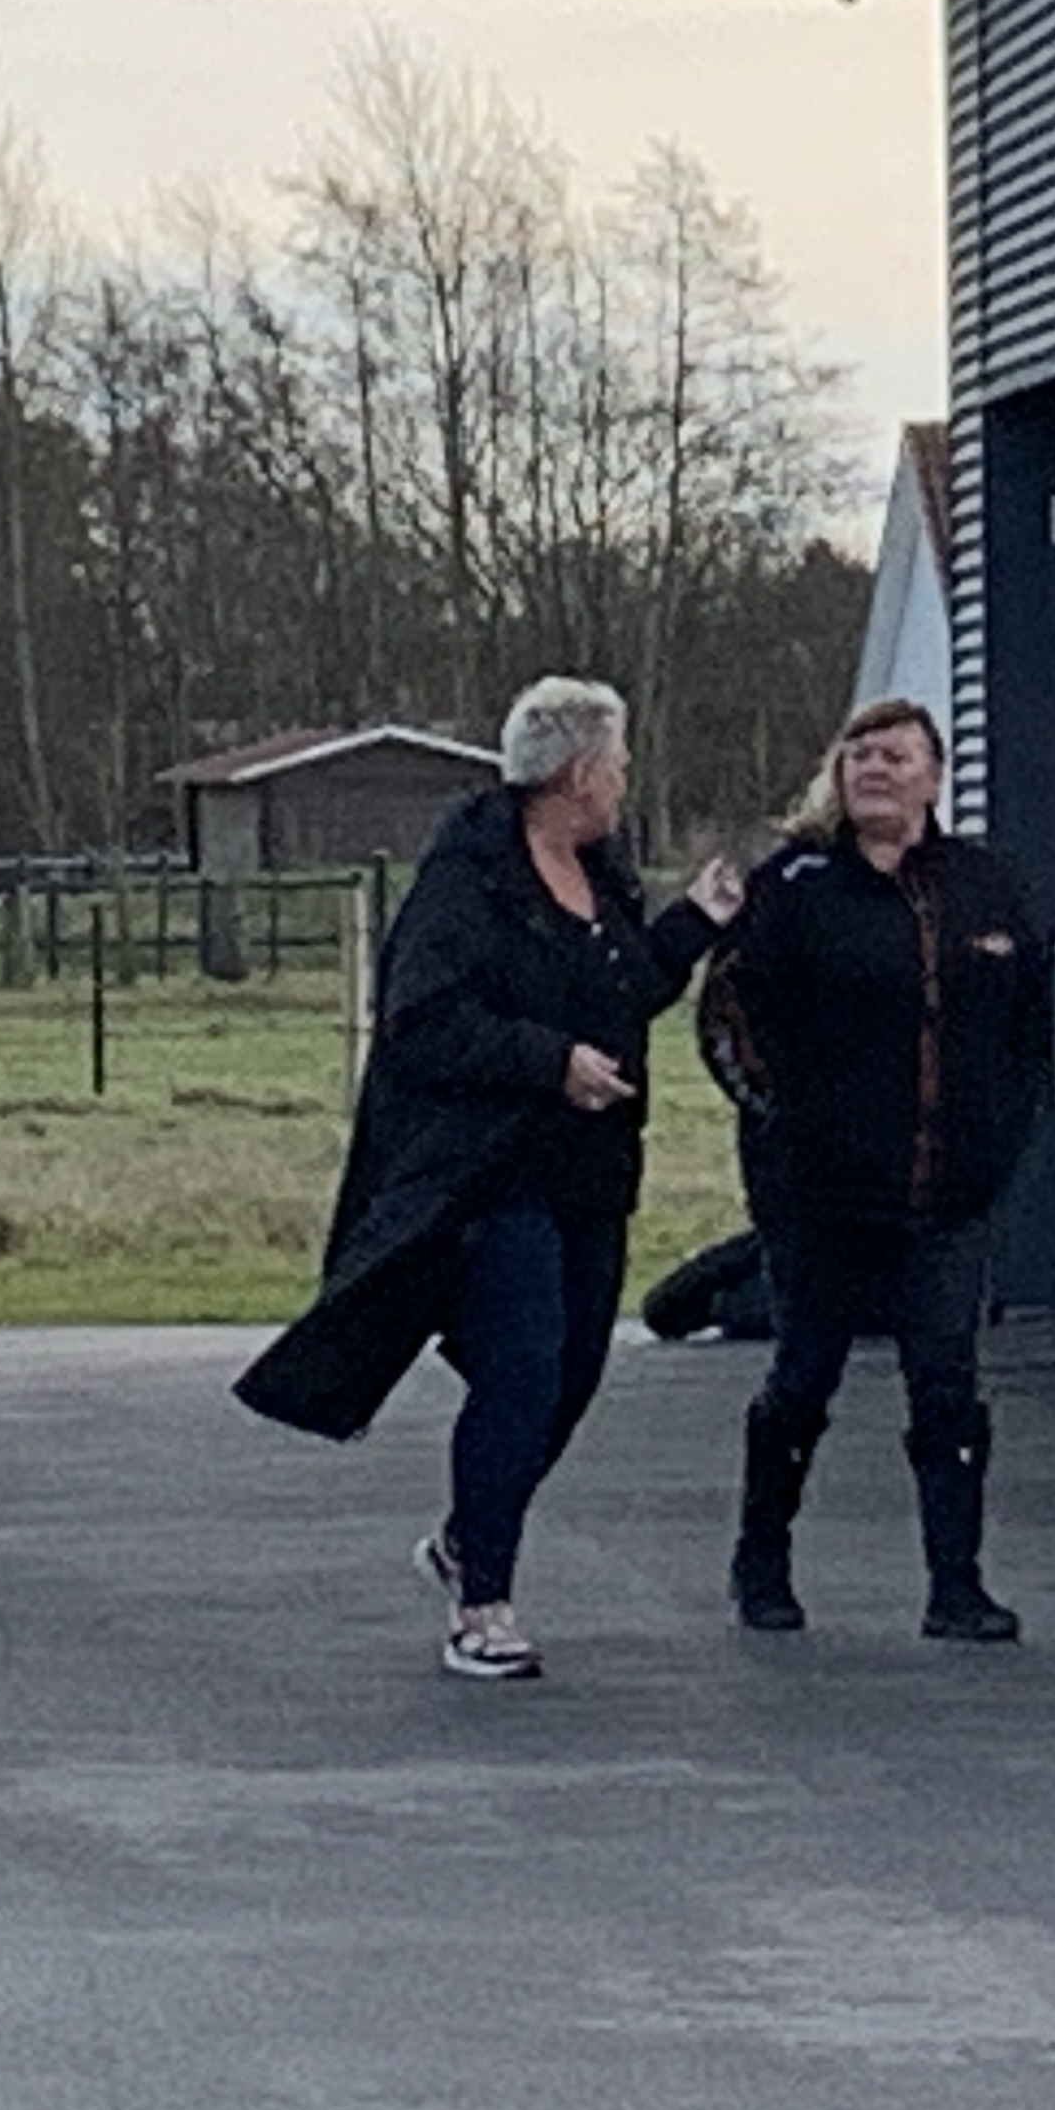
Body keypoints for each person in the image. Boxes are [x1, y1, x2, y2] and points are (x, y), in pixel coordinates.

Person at [233, 676, 741, 1681]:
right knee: (522, 1367)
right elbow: (423, 1019)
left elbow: (622, 990)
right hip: (489, 1171)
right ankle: (484, 1606)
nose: (624, 779)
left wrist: (695, 922)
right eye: (617, 762)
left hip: (590, 1170)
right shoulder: (468, 881)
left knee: (573, 1376)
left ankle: (468, 1534)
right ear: (578, 773)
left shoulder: (601, 873)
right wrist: (550, 1063)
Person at [713, 696, 1055, 1643]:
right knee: (803, 1379)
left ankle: (958, 1586)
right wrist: (784, 1124)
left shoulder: (984, 886)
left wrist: (1001, 1136)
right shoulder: (793, 885)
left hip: (949, 1192)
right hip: (819, 1198)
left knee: (947, 1385)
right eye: (858, 754)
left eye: (895, 756)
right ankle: (761, 1565)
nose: (873, 769)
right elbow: (728, 1020)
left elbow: (1031, 1025)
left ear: (934, 777)